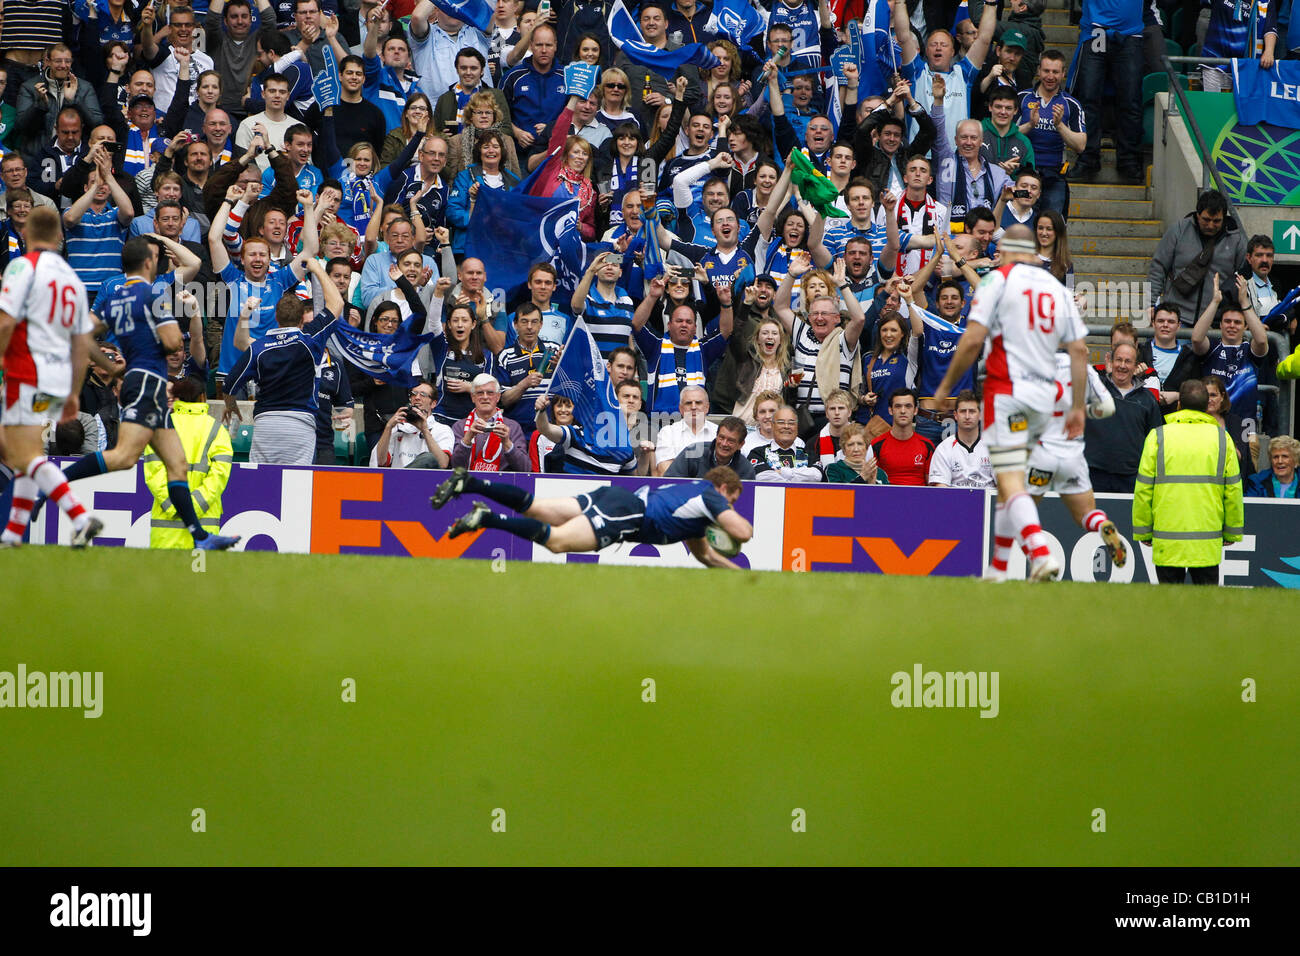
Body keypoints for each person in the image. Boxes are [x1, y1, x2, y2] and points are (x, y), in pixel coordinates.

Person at [62, 232, 241, 550]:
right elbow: (174, 343)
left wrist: (112, 365)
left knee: (177, 464)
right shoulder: (153, 295)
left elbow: (82, 334)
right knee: (124, 457)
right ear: (148, 262)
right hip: (148, 382)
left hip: (142, 382)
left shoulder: (113, 295)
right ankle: (54, 485)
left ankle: (200, 537)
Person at [934, 224, 1089, 582]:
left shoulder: (997, 281)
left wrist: (945, 387)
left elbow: (973, 340)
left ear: (1003, 251)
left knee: (1009, 479)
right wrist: (1078, 406)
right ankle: (998, 569)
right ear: (1034, 252)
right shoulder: (1056, 287)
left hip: (1008, 392)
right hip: (1045, 400)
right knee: (1009, 484)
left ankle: (1039, 552)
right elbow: (1079, 350)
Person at [0, 208, 108, 549]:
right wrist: (74, 392)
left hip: (25, 371)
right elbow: (81, 345)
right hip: (57, 378)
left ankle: (79, 515)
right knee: (27, 451)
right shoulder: (73, 280)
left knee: (17, 452)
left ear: (28, 233)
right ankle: (13, 534)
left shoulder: (22, 267)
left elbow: (5, 323)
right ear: (60, 236)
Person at [432, 463, 754, 569]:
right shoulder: (711, 494)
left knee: (538, 508)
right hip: (627, 514)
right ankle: (486, 519)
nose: (732, 505)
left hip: (614, 497)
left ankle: (470, 482)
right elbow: (743, 532)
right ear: (724, 487)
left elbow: (706, 555)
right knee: (557, 542)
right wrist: (728, 516)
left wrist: (736, 575)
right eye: (733, 498)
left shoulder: (695, 511)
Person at [994, 352, 1127, 576]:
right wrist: (1082, 413)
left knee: (1019, 512)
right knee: (1085, 514)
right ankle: (1102, 525)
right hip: (1072, 455)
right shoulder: (1082, 367)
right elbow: (1108, 407)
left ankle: (1040, 559)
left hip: (1042, 453)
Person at [222, 260, 343, 465]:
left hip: (266, 424)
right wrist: (316, 269)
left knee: (262, 485)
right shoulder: (310, 339)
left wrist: (231, 405)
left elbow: (229, 385)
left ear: (276, 317)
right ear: (301, 321)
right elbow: (337, 304)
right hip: (300, 424)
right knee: (296, 489)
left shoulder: (259, 348)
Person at [1132, 379, 1244, 585]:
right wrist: (1232, 531)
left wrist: (1144, 530)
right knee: (1206, 609)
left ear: (1179, 405)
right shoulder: (1222, 439)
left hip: (1167, 540)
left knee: (1168, 608)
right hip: (1207, 542)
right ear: (1205, 407)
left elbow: (1143, 489)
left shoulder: (1158, 437)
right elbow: (1233, 490)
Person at [142, 376, 234, 549]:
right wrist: (193, 507)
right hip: (204, 525)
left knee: (163, 576)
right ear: (203, 397)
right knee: (198, 574)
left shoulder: (160, 428)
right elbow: (219, 475)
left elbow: (154, 475)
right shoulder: (217, 429)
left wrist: (177, 507)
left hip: (165, 528)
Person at [1190, 273, 1271, 445]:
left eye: (1237, 322)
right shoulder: (1212, 348)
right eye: (1227, 321)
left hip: (1245, 425)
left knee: (1245, 470)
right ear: (1220, 325)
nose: (1232, 325)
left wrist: (1244, 303)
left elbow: (1262, 340)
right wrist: (1215, 302)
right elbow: (1196, 338)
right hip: (1211, 422)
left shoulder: (1250, 350)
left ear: (1245, 326)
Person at [1148, 190, 1248, 328]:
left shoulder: (1237, 240)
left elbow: (1244, 278)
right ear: (1197, 214)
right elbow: (1158, 268)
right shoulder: (1178, 230)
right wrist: (1151, 304)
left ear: (1224, 218)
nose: (1211, 225)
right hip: (1176, 318)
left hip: (1215, 321)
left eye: (1216, 221)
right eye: (1206, 220)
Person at [1083, 341, 1165, 493]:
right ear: (1111, 362)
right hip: (1093, 475)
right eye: (1119, 360)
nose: (1122, 365)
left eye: (1128, 361)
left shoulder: (1147, 400)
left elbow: (1156, 441)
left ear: (1136, 366)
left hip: (1131, 479)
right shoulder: (1093, 390)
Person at [450, 374, 530, 472]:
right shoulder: (460, 426)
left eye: (490, 393)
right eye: (480, 393)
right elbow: (455, 465)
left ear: (498, 397)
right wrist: (467, 438)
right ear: (473, 397)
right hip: (468, 484)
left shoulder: (512, 427)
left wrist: (507, 443)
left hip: (501, 484)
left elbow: (525, 468)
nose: (485, 397)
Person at [371, 381, 453, 470]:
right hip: (397, 481)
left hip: (426, 481)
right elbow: (380, 462)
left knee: (428, 458)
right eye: (414, 394)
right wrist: (388, 427)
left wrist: (424, 430)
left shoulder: (442, 429)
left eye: (423, 394)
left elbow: (442, 464)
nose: (417, 397)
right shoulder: (399, 427)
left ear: (433, 404)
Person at [867, 388, 935, 487]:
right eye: (898, 406)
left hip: (919, 500)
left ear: (915, 410)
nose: (903, 411)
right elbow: (870, 483)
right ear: (890, 410)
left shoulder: (927, 445)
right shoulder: (876, 444)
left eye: (908, 406)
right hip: (886, 499)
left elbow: (932, 486)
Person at [927, 390, 993, 489]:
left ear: (980, 415)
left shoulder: (992, 446)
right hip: (954, 503)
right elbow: (941, 489)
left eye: (972, 411)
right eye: (963, 411)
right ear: (955, 415)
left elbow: (1003, 485)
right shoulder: (944, 448)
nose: (967, 416)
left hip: (987, 502)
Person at [664, 415, 757, 480]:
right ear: (716, 436)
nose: (724, 444)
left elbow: (746, 501)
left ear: (741, 444)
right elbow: (669, 484)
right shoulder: (692, 453)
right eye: (721, 437)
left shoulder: (746, 469)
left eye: (731, 441)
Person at [748, 404, 822, 482]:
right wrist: (794, 483)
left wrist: (781, 472)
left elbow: (817, 476)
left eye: (791, 423)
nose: (786, 426)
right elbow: (762, 477)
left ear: (797, 427)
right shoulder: (757, 453)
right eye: (781, 422)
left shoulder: (809, 454)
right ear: (772, 426)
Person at [654, 385, 717, 476]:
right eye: (688, 403)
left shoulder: (718, 432)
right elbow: (665, 471)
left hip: (712, 487)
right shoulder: (668, 433)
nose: (693, 407)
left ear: (707, 408)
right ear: (681, 409)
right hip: (678, 488)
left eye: (698, 403)